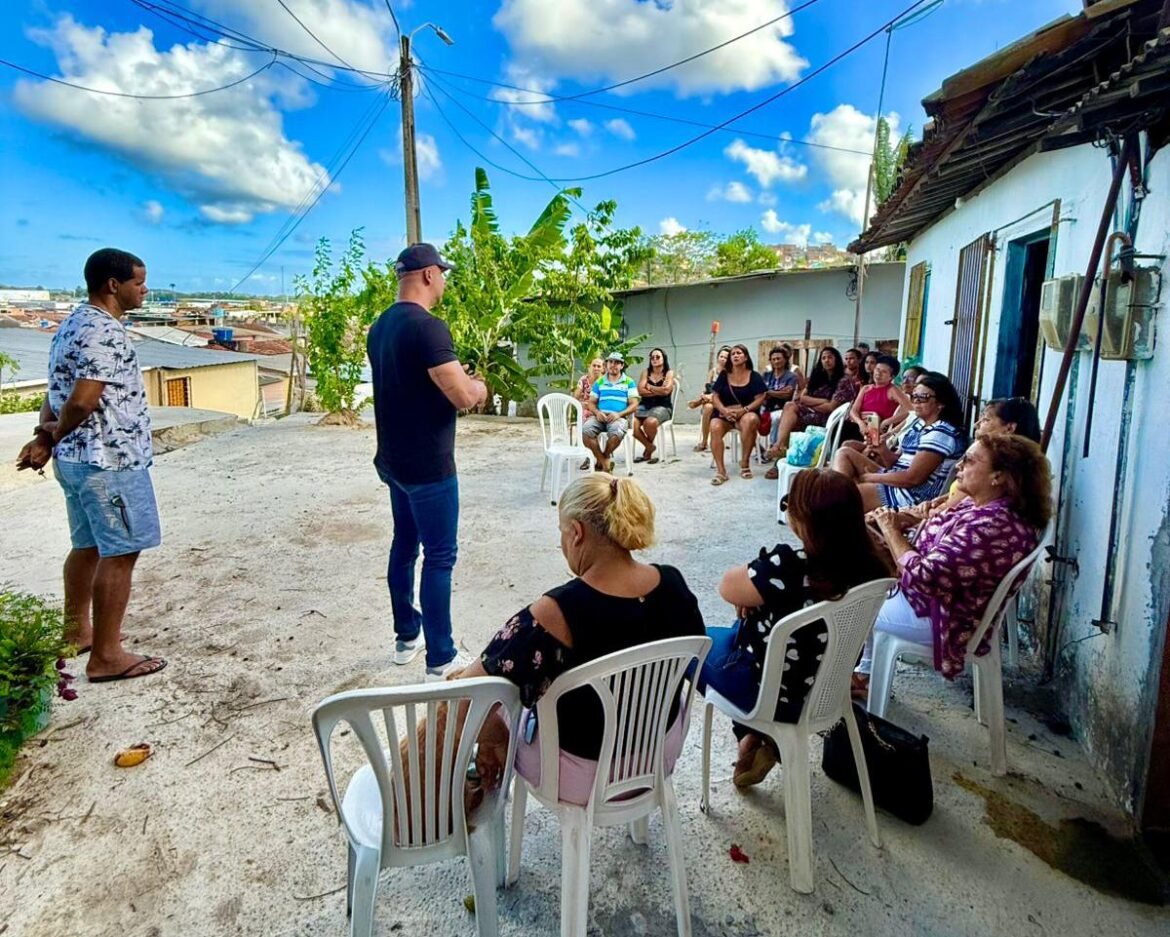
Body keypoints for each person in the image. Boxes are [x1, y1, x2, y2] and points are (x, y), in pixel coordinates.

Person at [457, 474, 706, 805]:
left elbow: (465, 696)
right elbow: (693, 656)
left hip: (583, 776)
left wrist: (493, 740)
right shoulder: (673, 583)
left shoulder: (555, 613)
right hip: (659, 753)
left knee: (497, 701)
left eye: (561, 533)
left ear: (576, 533)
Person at [15, 248, 167, 682]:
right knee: (121, 551)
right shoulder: (105, 332)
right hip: (109, 459)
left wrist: (46, 437)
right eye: (139, 282)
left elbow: (55, 391)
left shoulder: (71, 326)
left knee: (88, 545)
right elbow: (82, 398)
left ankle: (76, 632)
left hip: (78, 462)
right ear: (113, 285)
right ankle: (106, 655)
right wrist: (56, 433)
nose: (145, 289)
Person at [698, 469, 893, 787]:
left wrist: (757, 592)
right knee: (741, 629)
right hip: (827, 686)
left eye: (790, 504)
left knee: (700, 645)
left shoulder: (787, 566)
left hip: (774, 695)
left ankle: (750, 734)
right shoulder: (871, 568)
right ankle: (757, 739)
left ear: (804, 521)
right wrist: (760, 598)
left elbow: (727, 586)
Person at [368, 242, 488, 680]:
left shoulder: (380, 326)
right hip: (428, 468)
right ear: (427, 275)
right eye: (442, 272)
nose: (444, 280)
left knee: (404, 544)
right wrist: (479, 387)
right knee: (440, 555)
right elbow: (460, 395)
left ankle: (406, 635)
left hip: (394, 463)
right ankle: (440, 656)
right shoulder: (429, 328)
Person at [855, 434, 1051, 696]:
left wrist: (891, 532)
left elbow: (924, 576)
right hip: (929, 600)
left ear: (999, 476)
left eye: (969, 461)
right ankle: (864, 676)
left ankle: (847, 675)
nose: (959, 466)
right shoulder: (977, 505)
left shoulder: (993, 526)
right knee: (853, 568)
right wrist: (898, 524)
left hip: (944, 618)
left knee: (848, 603)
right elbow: (932, 537)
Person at [832, 371, 965, 513]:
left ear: (941, 403)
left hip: (910, 495)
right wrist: (883, 450)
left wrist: (872, 477)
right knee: (844, 453)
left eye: (923, 397)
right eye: (914, 397)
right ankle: (843, 506)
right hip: (897, 478)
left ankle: (842, 510)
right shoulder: (919, 425)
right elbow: (897, 463)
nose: (916, 401)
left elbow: (912, 478)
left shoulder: (941, 433)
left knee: (842, 497)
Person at [763, 346, 858, 478]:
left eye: (830, 357)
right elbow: (802, 397)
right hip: (811, 413)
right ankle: (779, 447)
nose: (826, 360)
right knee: (790, 406)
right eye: (823, 358)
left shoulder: (844, 380)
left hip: (830, 419)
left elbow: (831, 407)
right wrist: (823, 401)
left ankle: (780, 455)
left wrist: (812, 403)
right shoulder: (817, 376)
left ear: (837, 359)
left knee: (792, 418)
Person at [709, 344, 767, 485]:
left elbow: (761, 397)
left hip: (745, 413)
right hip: (725, 415)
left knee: (750, 419)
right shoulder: (724, 375)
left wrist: (745, 410)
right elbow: (714, 396)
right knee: (714, 426)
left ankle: (745, 464)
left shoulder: (754, 376)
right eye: (733, 354)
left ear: (746, 357)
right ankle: (721, 471)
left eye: (739, 353)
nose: (735, 355)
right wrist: (723, 410)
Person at [582, 352, 639, 473]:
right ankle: (605, 462)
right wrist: (597, 413)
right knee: (585, 432)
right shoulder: (600, 382)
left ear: (622, 365)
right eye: (611, 362)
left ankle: (603, 458)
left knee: (616, 433)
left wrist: (619, 414)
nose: (613, 365)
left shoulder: (629, 382)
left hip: (618, 417)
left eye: (617, 362)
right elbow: (591, 402)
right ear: (607, 364)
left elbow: (634, 404)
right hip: (599, 416)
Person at [847, 354, 909, 444]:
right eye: (877, 369)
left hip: (876, 432)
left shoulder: (892, 390)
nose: (878, 373)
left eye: (884, 372)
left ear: (891, 377)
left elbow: (911, 411)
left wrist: (887, 421)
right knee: (841, 428)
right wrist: (861, 423)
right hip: (861, 426)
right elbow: (853, 411)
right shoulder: (866, 388)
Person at [633, 347, 675, 464]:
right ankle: (650, 446)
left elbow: (666, 391)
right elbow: (640, 391)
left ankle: (648, 452)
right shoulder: (645, 372)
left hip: (663, 406)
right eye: (652, 357)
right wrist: (659, 389)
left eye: (658, 357)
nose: (654, 359)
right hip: (645, 404)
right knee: (632, 424)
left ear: (663, 358)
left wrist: (650, 387)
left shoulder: (669, 373)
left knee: (649, 422)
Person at [688, 345, 731, 452]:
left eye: (726, 357)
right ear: (718, 357)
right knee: (707, 408)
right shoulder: (713, 371)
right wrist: (704, 394)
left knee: (710, 400)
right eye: (721, 356)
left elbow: (726, 392)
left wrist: (708, 396)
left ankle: (698, 402)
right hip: (711, 398)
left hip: (724, 402)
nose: (723, 359)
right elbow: (707, 386)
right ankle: (704, 442)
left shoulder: (731, 373)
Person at [760, 345, 799, 460]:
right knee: (749, 419)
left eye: (778, 358)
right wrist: (776, 392)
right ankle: (759, 449)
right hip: (765, 407)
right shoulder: (766, 375)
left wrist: (769, 392)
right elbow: (761, 393)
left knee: (777, 418)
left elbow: (787, 394)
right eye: (773, 359)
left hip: (782, 409)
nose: (776, 361)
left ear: (785, 359)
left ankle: (774, 447)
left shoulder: (791, 376)